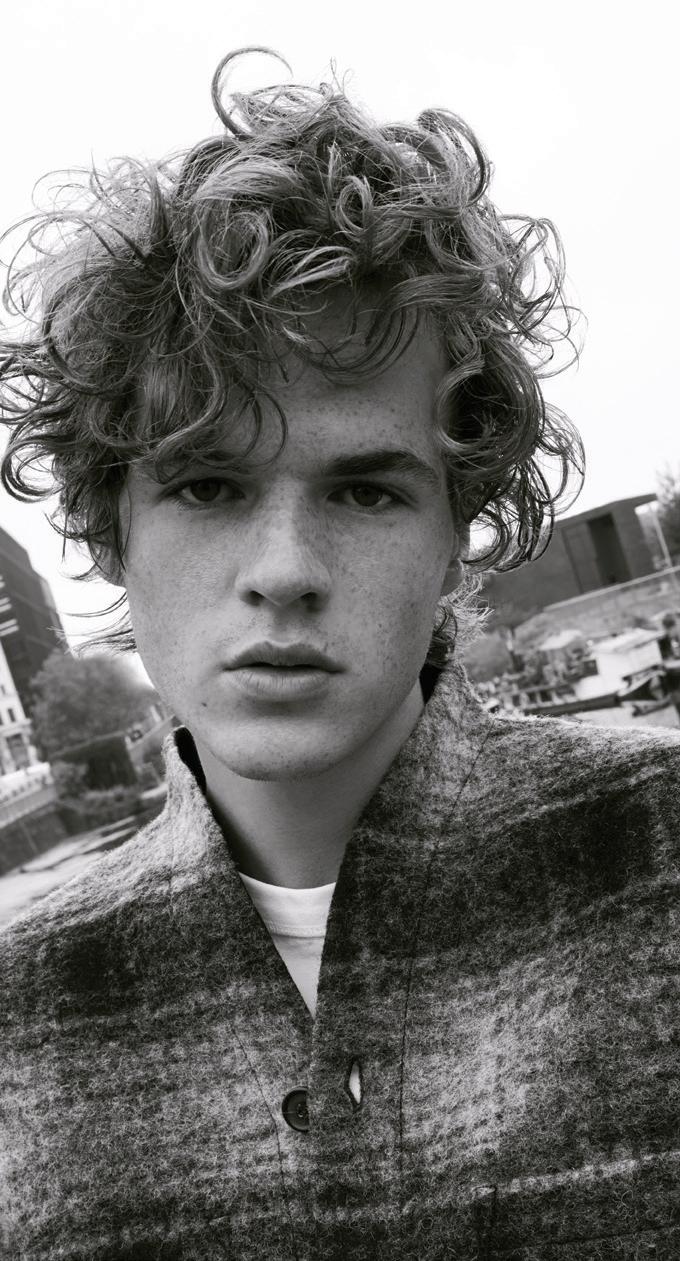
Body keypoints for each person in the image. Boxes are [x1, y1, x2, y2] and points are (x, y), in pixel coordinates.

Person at [0, 49, 678, 1261]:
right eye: (207, 485)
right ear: (110, 529)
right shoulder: (20, 1011)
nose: (284, 569)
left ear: (456, 532)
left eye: (364, 492)